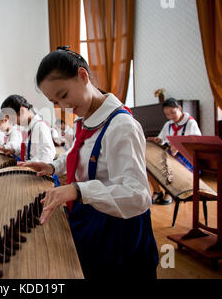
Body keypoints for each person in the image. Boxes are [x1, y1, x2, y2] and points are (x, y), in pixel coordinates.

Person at [21, 47, 158, 279]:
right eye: (55, 102)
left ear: (83, 76)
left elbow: (138, 195)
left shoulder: (121, 126)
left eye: (63, 95)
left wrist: (77, 189)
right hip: (93, 220)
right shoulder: (86, 120)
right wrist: (53, 166)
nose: (63, 106)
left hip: (121, 235)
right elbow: (79, 155)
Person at [147, 98, 202, 205]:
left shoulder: (190, 122)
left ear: (180, 108)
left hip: (187, 157)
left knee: (168, 166)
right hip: (171, 154)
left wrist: (180, 146)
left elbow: (197, 142)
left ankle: (170, 192)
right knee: (148, 165)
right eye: (167, 114)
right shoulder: (168, 124)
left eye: (173, 113)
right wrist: (158, 140)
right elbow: (162, 139)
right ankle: (157, 191)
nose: (171, 117)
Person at [0, 95, 56, 163]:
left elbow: (48, 153)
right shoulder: (27, 128)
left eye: (12, 118)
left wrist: (28, 164)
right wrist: (13, 150)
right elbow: (27, 150)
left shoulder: (40, 126)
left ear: (22, 110)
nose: (12, 122)